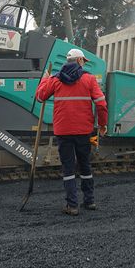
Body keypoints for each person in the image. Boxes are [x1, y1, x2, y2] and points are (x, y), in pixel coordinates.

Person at [35, 48, 108, 216]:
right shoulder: (89, 79)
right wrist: (102, 124)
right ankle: (89, 201)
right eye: (84, 61)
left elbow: (40, 97)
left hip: (63, 131)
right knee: (85, 165)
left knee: (68, 167)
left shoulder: (55, 80)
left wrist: (45, 80)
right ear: (80, 61)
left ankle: (72, 205)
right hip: (84, 130)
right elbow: (101, 105)